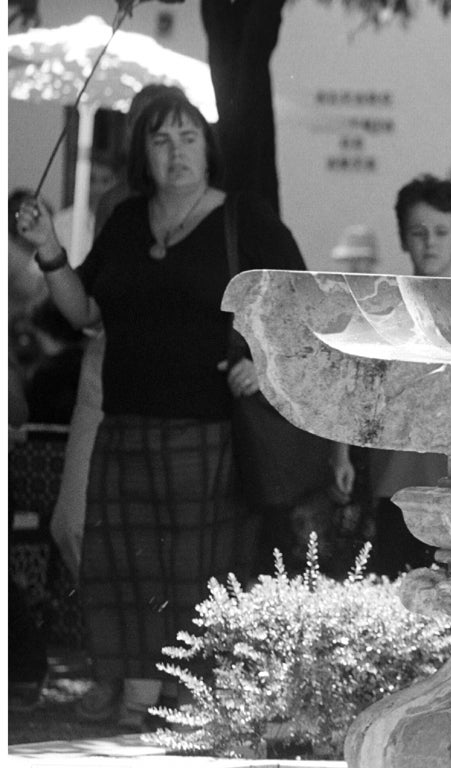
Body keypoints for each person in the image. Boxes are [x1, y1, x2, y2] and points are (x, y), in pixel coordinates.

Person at [12, 90, 352, 729]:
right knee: (120, 566)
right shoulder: (125, 220)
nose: (177, 152)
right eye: (161, 140)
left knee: (192, 569)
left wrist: (264, 362)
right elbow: (84, 311)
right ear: (143, 152)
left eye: (188, 136)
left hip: (208, 431)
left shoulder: (243, 219)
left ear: (208, 145)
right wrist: (49, 247)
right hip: (125, 423)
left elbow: (303, 307)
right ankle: (132, 690)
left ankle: (169, 694)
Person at [52, 83, 182, 587]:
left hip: (159, 371)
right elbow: (92, 299)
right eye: (146, 129)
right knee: (75, 523)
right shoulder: (117, 201)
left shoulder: (201, 205)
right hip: (107, 358)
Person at [363, 174, 451, 577]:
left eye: (442, 231)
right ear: (403, 239)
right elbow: (362, 387)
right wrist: (340, 455)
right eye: (419, 231)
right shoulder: (383, 308)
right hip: (394, 480)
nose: (430, 242)